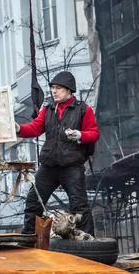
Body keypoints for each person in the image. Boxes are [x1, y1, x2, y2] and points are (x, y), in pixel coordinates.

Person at [16, 71, 99, 235]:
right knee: (33, 201)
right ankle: (28, 239)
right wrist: (18, 128)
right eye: (53, 88)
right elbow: (35, 127)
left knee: (79, 206)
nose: (54, 91)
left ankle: (88, 241)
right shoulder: (48, 110)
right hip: (49, 166)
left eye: (58, 88)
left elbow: (94, 133)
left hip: (71, 166)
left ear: (69, 90)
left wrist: (81, 135)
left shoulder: (83, 109)